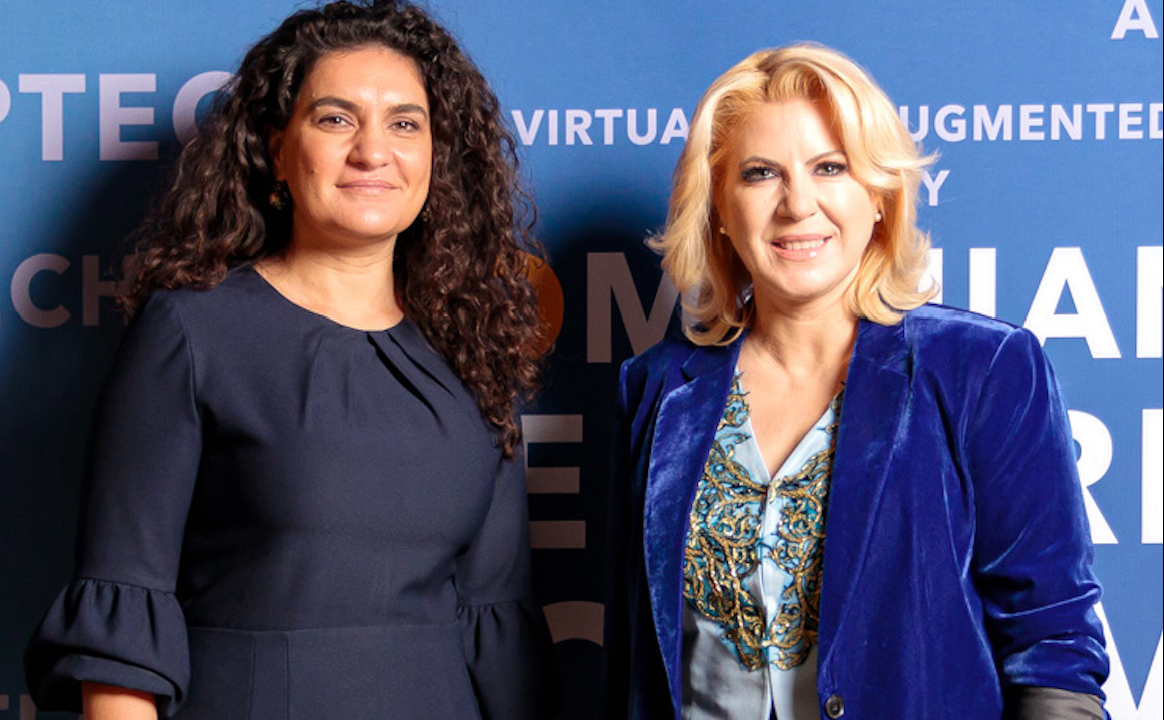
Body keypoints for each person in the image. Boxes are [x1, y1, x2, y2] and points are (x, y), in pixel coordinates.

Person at [24, 2, 554, 718]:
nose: (373, 151)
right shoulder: (192, 332)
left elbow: (500, 633)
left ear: (438, 157)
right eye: (336, 119)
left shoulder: (474, 354)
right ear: (277, 151)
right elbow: (123, 627)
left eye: (405, 124)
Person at [603, 45, 1108, 720]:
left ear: (877, 195)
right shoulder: (656, 389)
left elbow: (1055, 653)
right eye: (760, 174)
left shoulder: (983, 370)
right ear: (720, 206)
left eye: (830, 167)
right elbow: (631, 665)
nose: (798, 204)